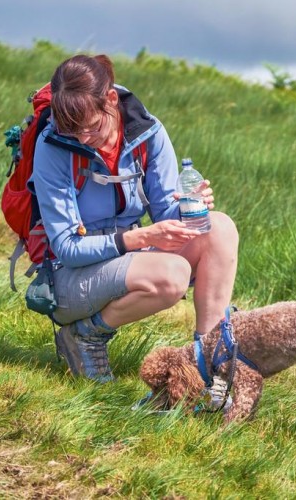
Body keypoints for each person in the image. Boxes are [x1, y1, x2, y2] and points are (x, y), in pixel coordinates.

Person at [29, 54, 239, 391]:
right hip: (69, 277)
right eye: (73, 130)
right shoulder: (52, 145)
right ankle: (84, 337)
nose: (82, 139)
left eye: (92, 127)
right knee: (172, 276)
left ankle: (211, 362)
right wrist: (138, 239)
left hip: (127, 257)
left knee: (220, 227)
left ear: (111, 99)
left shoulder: (147, 132)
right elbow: (67, 247)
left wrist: (192, 207)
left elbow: (168, 220)